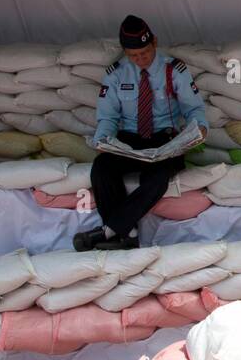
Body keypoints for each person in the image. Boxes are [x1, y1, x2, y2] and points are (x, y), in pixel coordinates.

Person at [73, 15, 208, 252]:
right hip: (130, 139)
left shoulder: (173, 70)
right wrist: (103, 139)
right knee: (102, 168)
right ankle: (129, 232)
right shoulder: (116, 74)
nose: (140, 59)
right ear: (125, 52)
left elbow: (193, 108)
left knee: (158, 178)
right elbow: (108, 117)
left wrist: (200, 127)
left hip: (164, 139)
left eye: (144, 53)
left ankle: (110, 230)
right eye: (133, 55)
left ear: (154, 42)